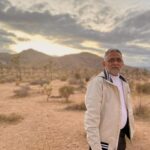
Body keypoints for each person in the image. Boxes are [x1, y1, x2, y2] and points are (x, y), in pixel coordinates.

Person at [84, 49, 134, 150]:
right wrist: (95, 146)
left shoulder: (124, 82)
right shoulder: (98, 83)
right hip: (104, 141)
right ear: (104, 63)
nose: (115, 62)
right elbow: (91, 117)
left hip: (120, 137)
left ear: (122, 63)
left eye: (118, 60)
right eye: (111, 60)